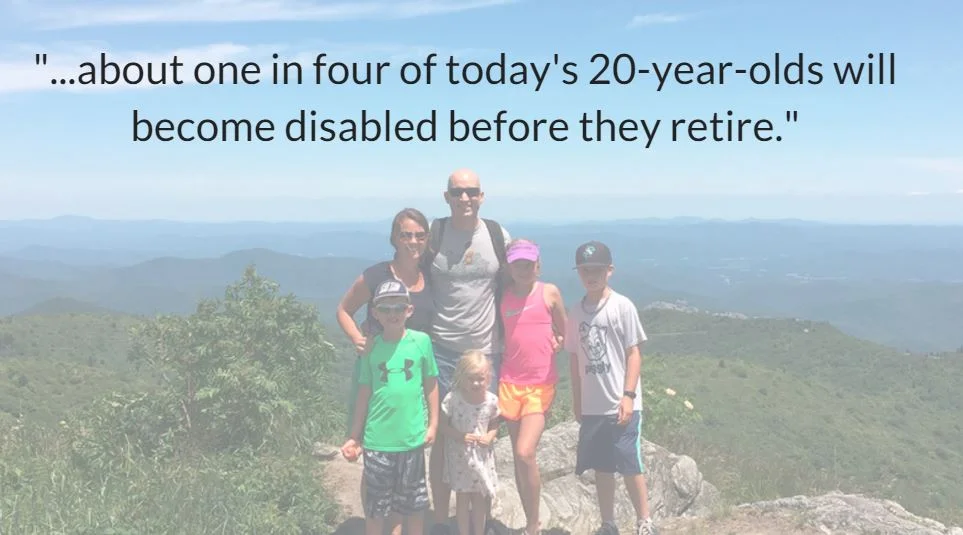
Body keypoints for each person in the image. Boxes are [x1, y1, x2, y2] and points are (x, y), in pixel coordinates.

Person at [422, 168, 510, 532]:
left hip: (487, 351)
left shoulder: (495, 234)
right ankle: (443, 521)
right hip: (443, 349)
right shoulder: (434, 234)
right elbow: (411, 278)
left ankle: (480, 522)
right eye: (457, 192)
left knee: (485, 434)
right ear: (446, 197)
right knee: (444, 435)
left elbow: (516, 281)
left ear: (482, 196)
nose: (465, 199)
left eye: (471, 192)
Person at [565, 241, 658, 535]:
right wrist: (577, 401)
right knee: (602, 466)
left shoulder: (622, 306)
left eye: (596, 270)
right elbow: (574, 358)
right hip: (592, 405)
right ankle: (609, 524)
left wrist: (628, 396)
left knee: (630, 462)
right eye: (584, 270)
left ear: (609, 271)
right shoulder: (576, 312)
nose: (590, 275)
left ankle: (644, 522)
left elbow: (634, 353)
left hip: (621, 402)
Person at [341, 279, 439, 535]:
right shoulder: (370, 348)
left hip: (412, 438)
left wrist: (433, 424)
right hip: (377, 441)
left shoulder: (422, 342)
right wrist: (354, 435)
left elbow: (431, 384)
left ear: (410, 310)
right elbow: (364, 392)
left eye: (399, 307)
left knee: (413, 506)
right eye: (386, 308)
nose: (393, 314)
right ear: (375, 313)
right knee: (376, 508)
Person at [336, 207, 435, 436]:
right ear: (394, 239)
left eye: (420, 235)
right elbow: (343, 310)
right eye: (406, 235)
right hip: (376, 369)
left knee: (409, 434)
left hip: (413, 371)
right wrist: (357, 339)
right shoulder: (376, 276)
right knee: (369, 433)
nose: (413, 241)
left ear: (427, 239)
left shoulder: (430, 276)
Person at [497, 238, 567, 535]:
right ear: (509, 268)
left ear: (538, 265)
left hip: (540, 384)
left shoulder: (549, 292)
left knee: (526, 452)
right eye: (518, 264)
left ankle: (534, 524)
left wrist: (558, 341)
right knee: (517, 455)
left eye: (529, 264)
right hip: (509, 381)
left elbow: (564, 331)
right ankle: (529, 522)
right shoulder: (503, 296)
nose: (524, 269)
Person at [439, 350, 500, 535]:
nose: (475, 383)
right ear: (461, 377)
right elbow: (441, 425)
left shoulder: (491, 400)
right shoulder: (453, 399)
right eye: (471, 378)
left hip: (481, 458)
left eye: (480, 379)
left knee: (480, 499)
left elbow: (495, 423)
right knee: (463, 498)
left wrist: (490, 436)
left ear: (488, 378)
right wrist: (459, 436)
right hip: (460, 458)